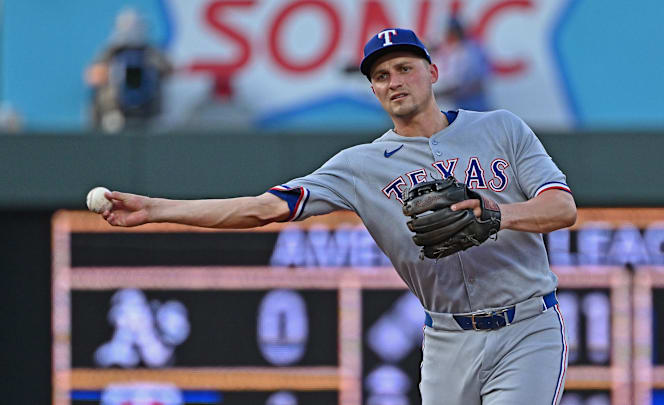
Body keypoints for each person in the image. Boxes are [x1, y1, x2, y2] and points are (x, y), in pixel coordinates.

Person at [99, 28, 576, 404]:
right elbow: (262, 209)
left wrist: (496, 215)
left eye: (405, 68)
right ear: (373, 89)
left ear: (433, 72)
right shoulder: (360, 165)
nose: (395, 82)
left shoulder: (500, 128)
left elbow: (562, 208)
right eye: (382, 76)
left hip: (526, 326)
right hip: (447, 337)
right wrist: (156, 209)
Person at [85, 8, 172, 133]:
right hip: (115, 110)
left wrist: (152, 69)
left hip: (148, 110)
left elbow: (168, 69)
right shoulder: (111, 52)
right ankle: (111, 112)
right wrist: (109, 73)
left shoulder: (150, 52)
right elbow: (93, 76)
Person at [432, 17, 493, 111]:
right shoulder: (450, 50)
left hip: (474, 103)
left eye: (453, 31)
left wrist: (436, 93)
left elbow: (469, 82)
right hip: (458, 104)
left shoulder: (470, 50)